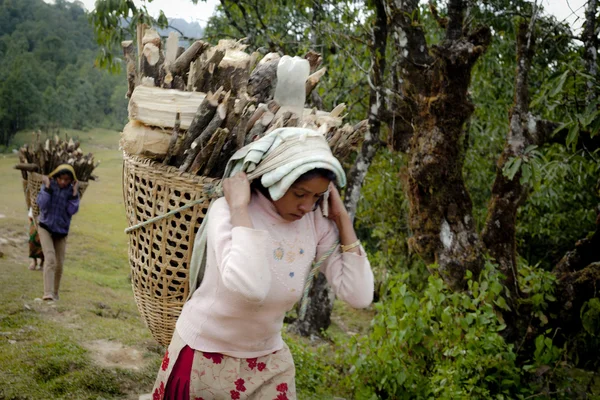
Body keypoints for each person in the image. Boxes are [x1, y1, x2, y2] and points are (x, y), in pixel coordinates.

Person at [152, 128, 374, 400]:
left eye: (317, 197)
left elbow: (359, 295)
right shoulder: (227, 211)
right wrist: (240, 208)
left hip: (268, 360)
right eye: (299, 194)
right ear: (277, 180)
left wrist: (342, 219)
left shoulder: (314, 222)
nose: (307, 206)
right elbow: (251, 286)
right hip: (206, 353)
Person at [37, 164, 80, 301]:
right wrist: (48, 187)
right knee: (50, 258)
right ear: (56, 177)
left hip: (61, 231)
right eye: (61, 179)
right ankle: (47, 293)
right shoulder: (49, 186)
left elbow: (72, 211)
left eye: (67, 180)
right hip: (45, 227)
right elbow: (42, 204)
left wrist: (74, 193)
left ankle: (55, 293)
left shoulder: (71, 191)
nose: (63, 182)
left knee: (59, 264)